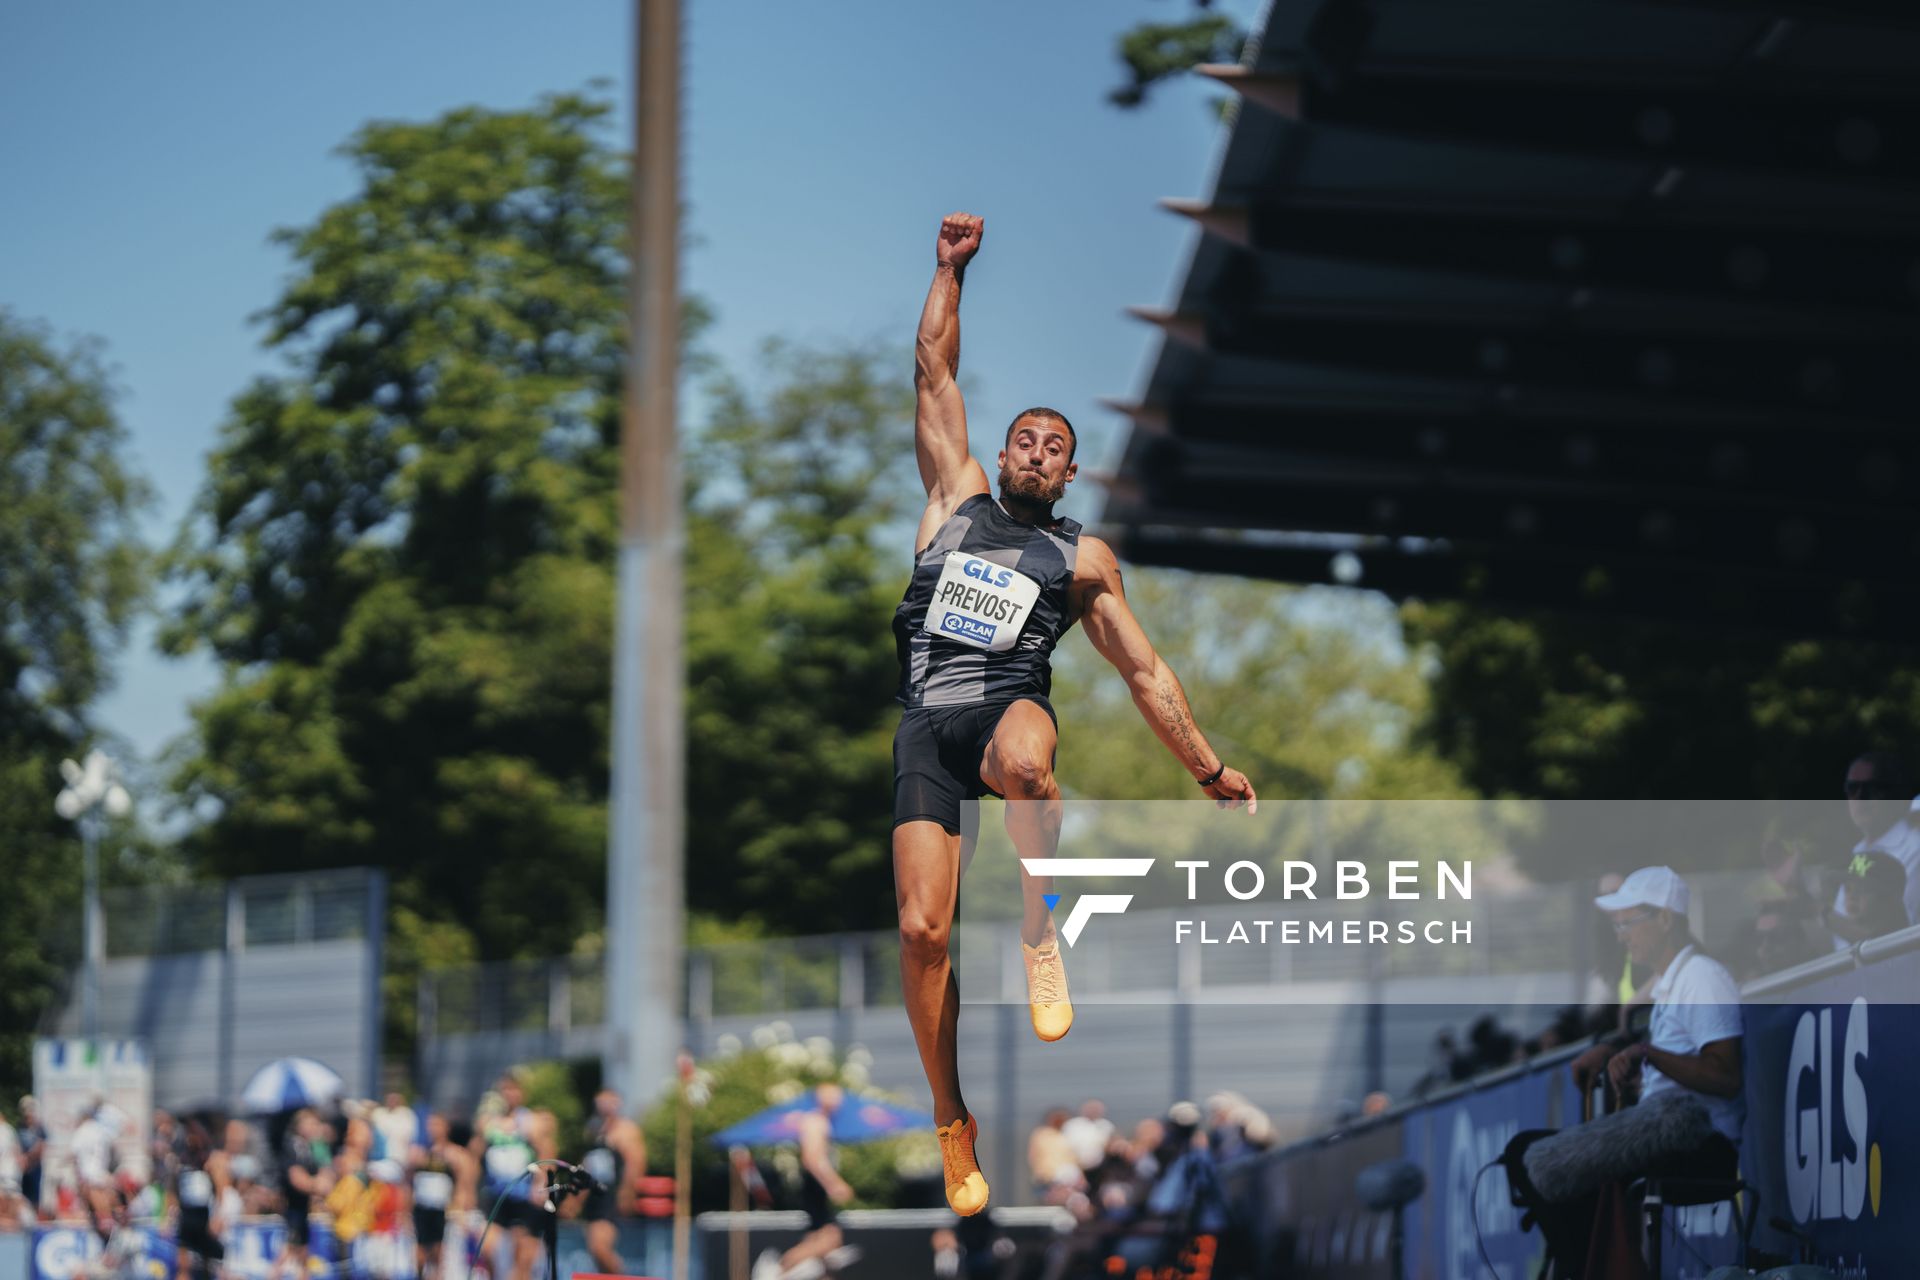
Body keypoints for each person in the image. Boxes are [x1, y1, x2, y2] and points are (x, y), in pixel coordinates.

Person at [894, 211, 1257, 1217]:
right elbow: (932, 369)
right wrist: (949, 274)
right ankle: (950, 1116)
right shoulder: (952, 496)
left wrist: (1206, 766)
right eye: (1026, 437)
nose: (1038, 453)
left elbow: (1145, 672)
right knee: (923, 931)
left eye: (1057, 448)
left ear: (1070, 472)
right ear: (1004, 451)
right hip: (926, 722)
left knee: (1029, 763)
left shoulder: (1081, 560)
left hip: (1008, 708)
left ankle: (1040, 928)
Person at [752, 1086, 855, 1280]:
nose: (839, 1100)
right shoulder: (816, 1121)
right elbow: (813, 1159)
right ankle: (778, 1268)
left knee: (818, 1242)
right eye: (834, 1095)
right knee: (830, 1239)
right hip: (815, 1184)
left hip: (816, 1184)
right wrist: (833, 1183)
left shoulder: (821, 1121)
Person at [1829, 751, 1920, 942]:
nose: (1861, 796)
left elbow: (1894, 940)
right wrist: (1795, 890)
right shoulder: (1858, 853)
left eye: (1872, 787)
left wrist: (1819, 912)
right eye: (1852, 787)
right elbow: (1838, 944)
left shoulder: (1916, 846)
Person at [472, 1076, 553, 1280]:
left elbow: (547, 1153)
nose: (510, 1095)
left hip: (523, 1195)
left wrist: (541, 1184)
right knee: (487, 1247)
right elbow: (474, 1155)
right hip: (496, 1194)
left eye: (513, 1090)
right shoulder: (490, 1123)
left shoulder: (530, 1121)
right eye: (505, 1090)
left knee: (521, 1255)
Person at [576, 1090, 646, 1276]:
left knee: (600, 1247)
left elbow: (636, 1163)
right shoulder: (594, 1130)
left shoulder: (626, 1130)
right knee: (595, 1252)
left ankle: (622, 1276)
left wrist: (627, 1192)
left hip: (611, 1196)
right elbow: (588, 1167)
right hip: (595, 1198)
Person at [268, 1110, 331, 1280]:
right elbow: (296, 1178)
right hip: (291, 1209)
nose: (314, 1128)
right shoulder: (291, 1146)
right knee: (288, 1252)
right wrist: (316, 1185)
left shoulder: (310, 1147)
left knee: (302, 1254)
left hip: (302, 1209)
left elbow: (325, 1169)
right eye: (310, 1124)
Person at [410, 1112, 473, 1280]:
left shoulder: (455, 1154)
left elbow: (464, 1185)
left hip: (443, 1210)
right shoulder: (422, 1153)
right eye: (431, 1125)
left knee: (440, 1254)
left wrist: (460, 1208)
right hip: (422, 1209)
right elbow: (410, 1182)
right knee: (419, 1254)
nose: (433, 1129)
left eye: (437, 1124)